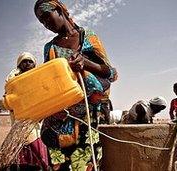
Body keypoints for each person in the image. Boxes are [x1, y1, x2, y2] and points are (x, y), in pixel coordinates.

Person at [34, 0, 118, 170]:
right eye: (41, 21)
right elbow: (48, 82)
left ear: (59, 10)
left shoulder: (87, 37)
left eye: (47, 17)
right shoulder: (50, 48)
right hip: (58, 119)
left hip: (88, 116)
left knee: (86, 163)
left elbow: (111, 73)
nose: (46, 24)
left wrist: (86, 63)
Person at [6, 52, 49, 170]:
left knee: (36, 137)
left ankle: (41, 165)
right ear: (19, 64)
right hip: (20, 117)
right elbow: (9, 95)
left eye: (30, 61)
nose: (27, 64)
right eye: (24, 61)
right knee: (27, 140)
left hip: (36, 115)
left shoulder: (37, 76)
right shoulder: (13, 77)